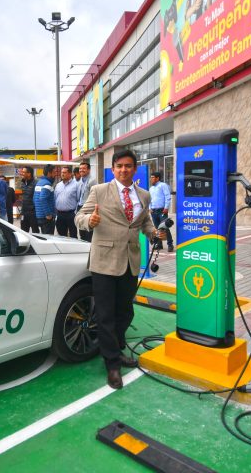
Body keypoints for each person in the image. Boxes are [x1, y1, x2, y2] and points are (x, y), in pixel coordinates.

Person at [75, 150, 163, 389]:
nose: (124, 170)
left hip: (130, 260)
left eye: (128, 166)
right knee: (105, 315)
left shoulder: (143, 195)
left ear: (135, 169)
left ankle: (116, 348)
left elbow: (144, 222)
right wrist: (89, 222)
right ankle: (112, 364)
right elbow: (80, 216)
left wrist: (154, 233)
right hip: (104, 261)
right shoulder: (99, 191)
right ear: (113, 169)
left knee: (125, 312)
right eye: (119, 166)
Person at [148, 171, 174, 252]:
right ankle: (159, 245)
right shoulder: (151, 188)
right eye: (151, 177)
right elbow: (149, 199)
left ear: (157, 178)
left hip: (162, 211)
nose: (151, 179)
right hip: (153, 211)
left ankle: (170, 244)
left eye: (152, 177)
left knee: (165, 227)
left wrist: (166, 208)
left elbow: (167, 196)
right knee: (157, 228)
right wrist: (150, 208)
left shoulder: (163, 185)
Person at [54, 166, 79, 237]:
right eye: (62, 172)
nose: (62, 174)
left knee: (73, 236)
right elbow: (55, 198)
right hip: (60, 215)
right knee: (61, 236)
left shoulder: (76, 185)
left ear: (70, 174)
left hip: (71, 214)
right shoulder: (58, 185)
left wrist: (75, 213)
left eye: (64, 172)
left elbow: (79, 199)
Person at [76, 161, 96, 242]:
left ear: (89, 170)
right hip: (80, 207)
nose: (81, 170)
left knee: (88, 232)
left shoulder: (92, 181)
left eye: (84, 168)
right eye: (80, 168)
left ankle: (89, 248)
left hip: (88, 209)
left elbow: (94, 196)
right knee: (82, 231)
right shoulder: (80, 181)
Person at [34, 164, 56, 235]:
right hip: (46, 217)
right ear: (49, 173)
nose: (55, 174)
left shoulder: (39, 183)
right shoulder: (47, 184)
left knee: (44, 237)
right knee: (48, 238)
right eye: (54, 172)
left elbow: (34, 199)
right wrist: (48, 214)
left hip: (40, 216)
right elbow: (42, 198)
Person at [19, 166, 39, 233]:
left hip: (33, 213)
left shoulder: (36, 183)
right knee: (23, 232)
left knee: (35, 232)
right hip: (24, 212)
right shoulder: (22, 183)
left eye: (23, 172)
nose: (22, 173)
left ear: (29, 174)